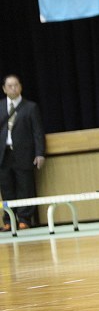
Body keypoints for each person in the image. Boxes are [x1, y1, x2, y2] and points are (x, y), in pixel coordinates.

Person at [1, 75, 45, 231]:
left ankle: (24, 219)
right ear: (4, 89)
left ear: (20, 87)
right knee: (6, 188)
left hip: (23, 153)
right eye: (10, 86)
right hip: (4, 154)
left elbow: (38, 132)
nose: (13, 88)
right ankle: (9, 220)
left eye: (16, 85)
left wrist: (40, 153)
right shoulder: (0, 107)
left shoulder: (30, 107)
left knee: (25, 187)